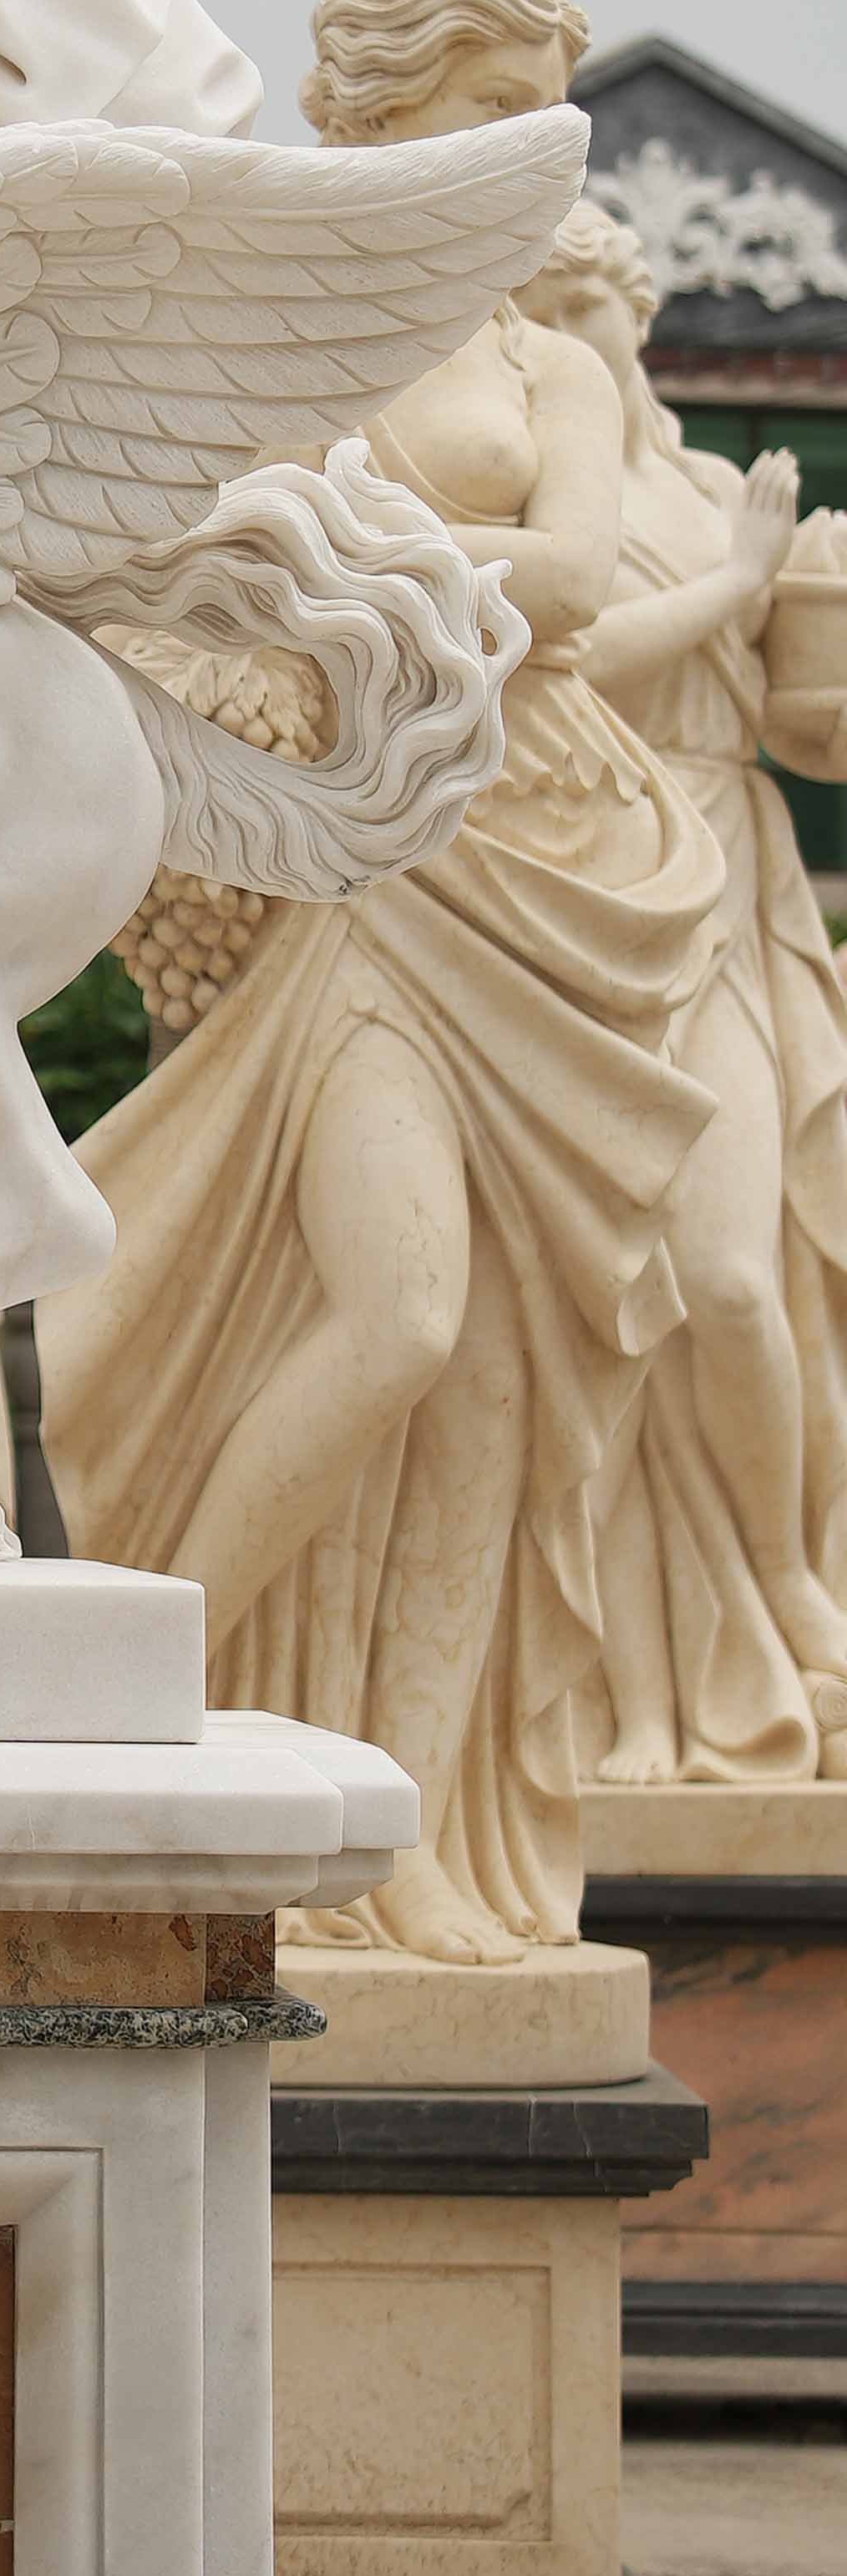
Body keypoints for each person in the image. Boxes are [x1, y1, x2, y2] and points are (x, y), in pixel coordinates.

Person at [43, 0, 724, 1963]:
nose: (523, 151)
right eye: (479, 113)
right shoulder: (283, 332)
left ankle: (407, 1830)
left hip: (570, 868)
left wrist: (353, 564)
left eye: (543, 114)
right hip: (374, 863)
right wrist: (396, 578)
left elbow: (586, 579)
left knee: (499, 1396)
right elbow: (194, 555)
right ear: (380, 123)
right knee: (399, 1316)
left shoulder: (553, 369)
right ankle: (165, 1701)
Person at [522, 199, 847, 1781]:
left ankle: (788, 1571)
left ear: (634, 311)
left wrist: (811, 636)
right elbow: (574, 661)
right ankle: (622, 1686)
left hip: (729, 873)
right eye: (541, 306)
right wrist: (740, 582)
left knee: (741, 1277)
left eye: (585, 301)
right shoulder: (557, 498)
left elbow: (796, 728)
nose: (567, 332)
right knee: (618, 1316)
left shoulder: (724, 484)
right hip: (592, 878)